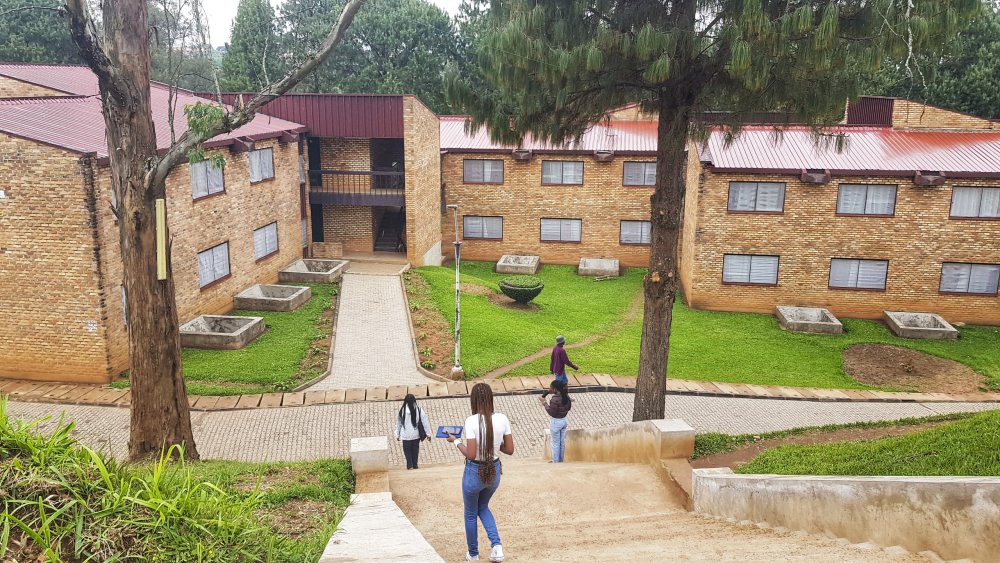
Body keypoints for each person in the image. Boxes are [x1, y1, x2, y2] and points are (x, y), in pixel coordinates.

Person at [447, 382, 514, 562]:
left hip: (474, 471)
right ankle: (497, 547)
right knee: (483, 507)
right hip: (494, 470)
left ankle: (474, 554)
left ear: (474, 400)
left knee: (470, 513)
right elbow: (509, 449)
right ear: (491, 398)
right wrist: (493, 442)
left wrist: (455, 441)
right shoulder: (503, 418)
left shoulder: (471, 421)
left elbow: (470, 454)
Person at [395, 393, 431, 470]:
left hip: (405, 435)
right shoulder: (419, 410)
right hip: (416, 435)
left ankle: (410, 465)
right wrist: (428, 434)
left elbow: (399, 424)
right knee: (415, 450)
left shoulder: (402, 411)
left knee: (407, 451)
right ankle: (415, 465)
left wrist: (397, 435)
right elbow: (425, 422)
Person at [539, 379, 572, 462]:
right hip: (564, 420)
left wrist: (544, 403)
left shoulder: (554, 400)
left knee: (555, 443)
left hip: (556, 422)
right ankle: (560, 460)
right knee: (561, 442)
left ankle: (555, 461)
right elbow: (568, 408)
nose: (550, 389)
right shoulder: (566, 396)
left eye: (551, 388)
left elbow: (552, 413)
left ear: (555, 389)